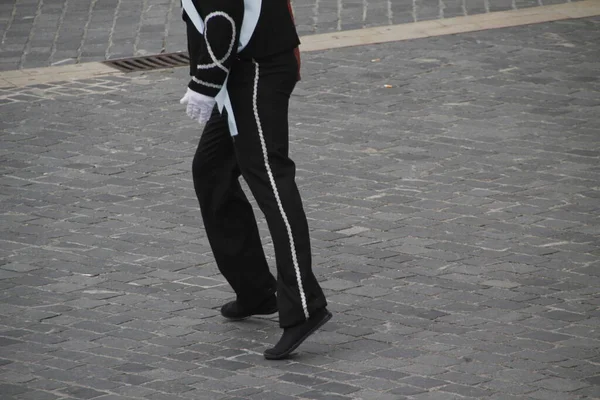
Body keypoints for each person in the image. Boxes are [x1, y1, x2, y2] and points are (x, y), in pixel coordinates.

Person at [180, 0, 331, 360]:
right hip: (240, 66)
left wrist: (204, 83)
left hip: (257, 67)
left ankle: (304, 307)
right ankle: (256, 291)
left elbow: (222, 16)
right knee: (211, 169)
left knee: (271, 183)